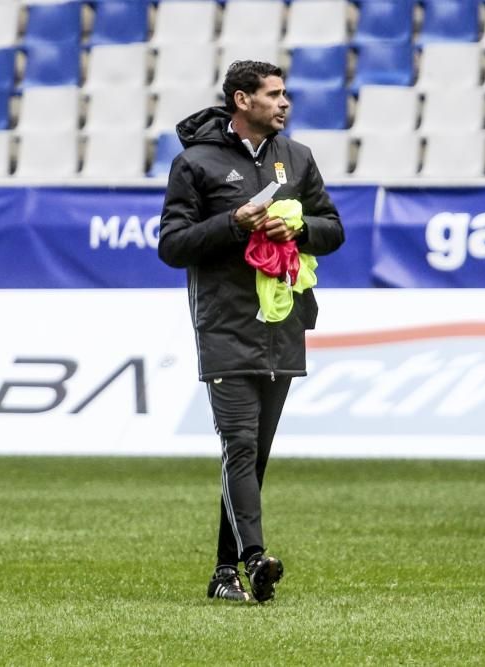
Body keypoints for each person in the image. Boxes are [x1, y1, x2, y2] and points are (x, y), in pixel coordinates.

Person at [158, 61, 345, 602]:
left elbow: (333, 230)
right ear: (243, 100)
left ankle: (223, 576)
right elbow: (172, 246)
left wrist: (300, 227)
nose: (285, 103)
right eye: (275, 94)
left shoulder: (298, 158)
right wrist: (234, 223)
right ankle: (254, 557)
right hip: (225, 324)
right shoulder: (195, 164)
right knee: (238, 444)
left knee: (254, 453)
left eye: (286, 94)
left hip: (283, 322)